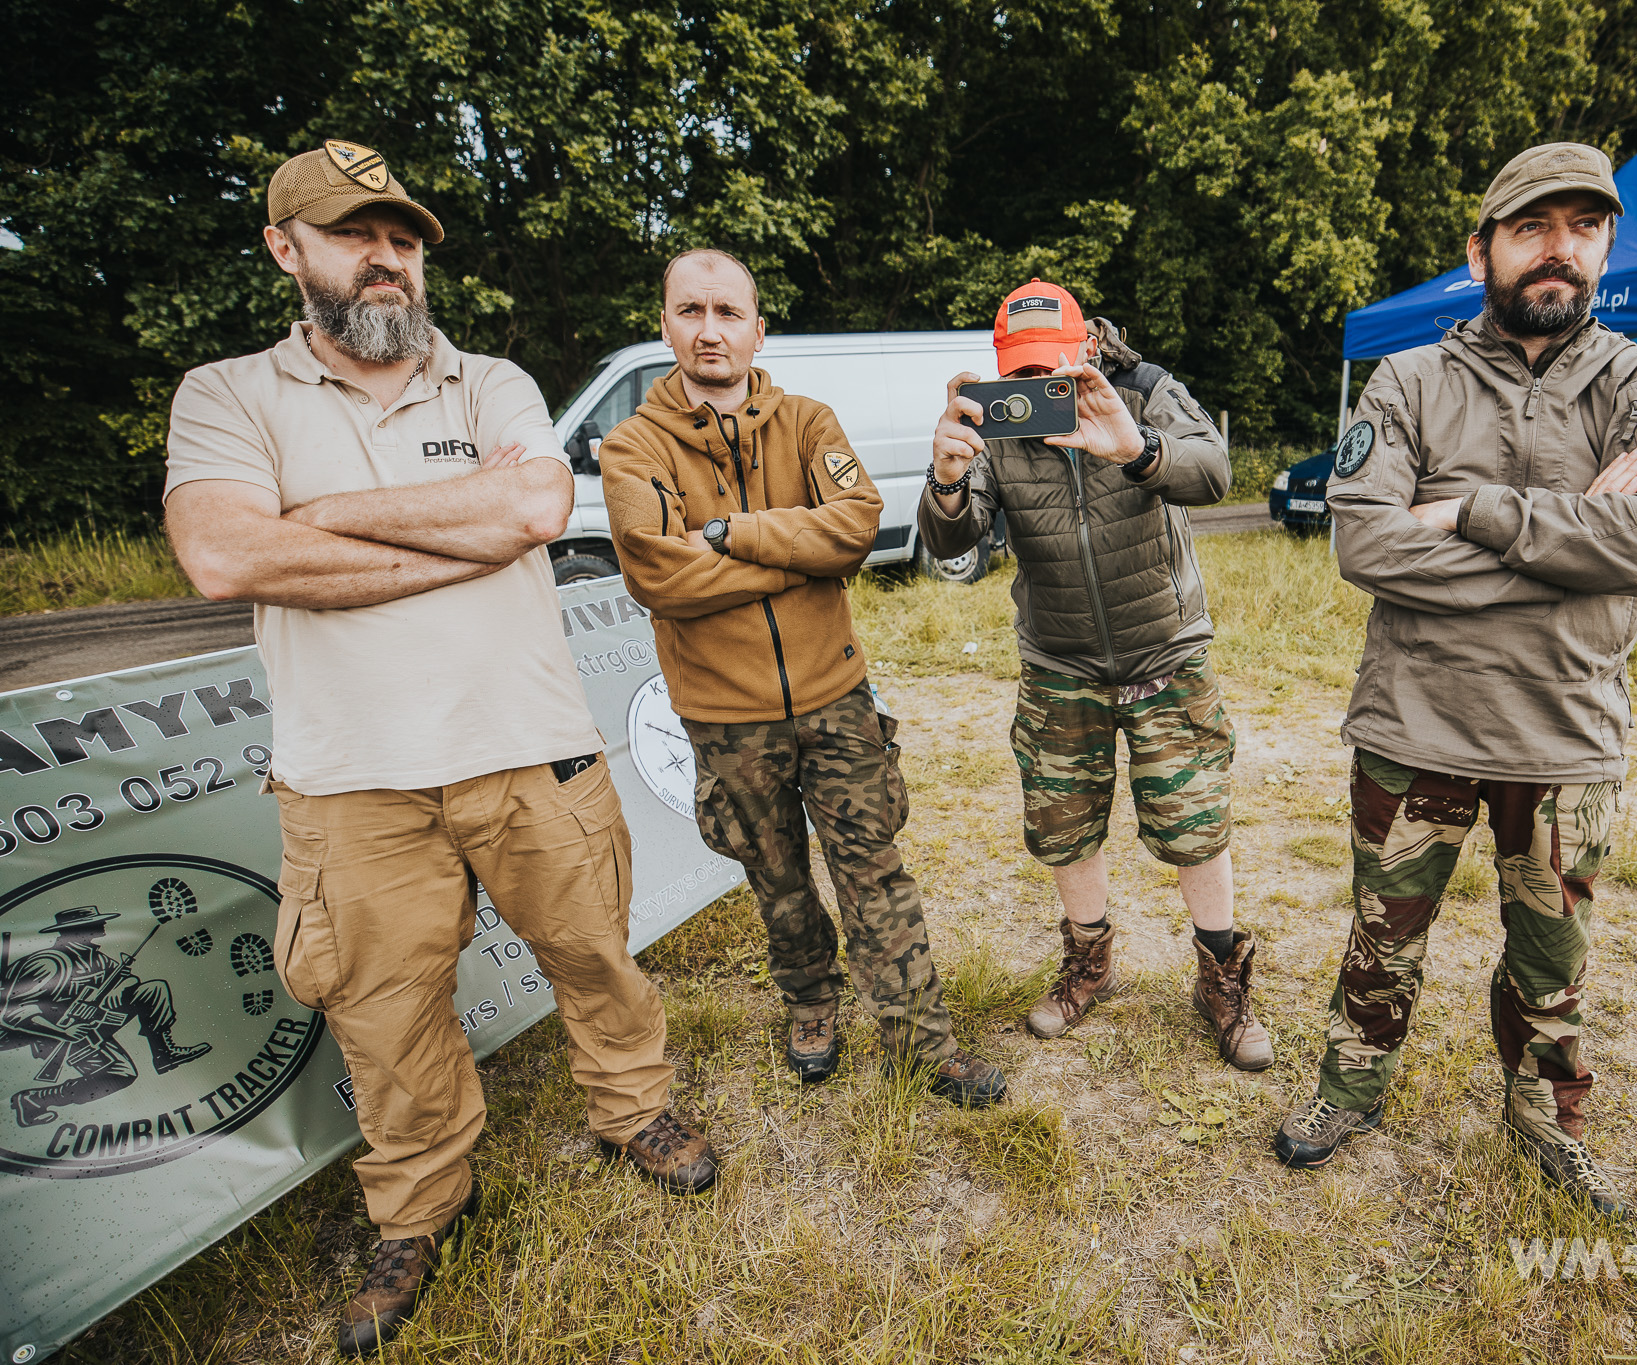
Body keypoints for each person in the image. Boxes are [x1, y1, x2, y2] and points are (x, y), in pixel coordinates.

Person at [163, 141, 711, 1357]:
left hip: (527, 748)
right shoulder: (226, 395)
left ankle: (635, 1113)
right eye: (356, 234)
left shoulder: (489, 381)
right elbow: (221, 556)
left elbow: (531, 511)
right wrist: (449, 540)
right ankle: (420, 1209)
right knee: (383, 1013)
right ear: (284, 248)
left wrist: (308, 520)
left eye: (403, 239)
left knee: (591, 953)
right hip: (345, 777)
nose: (386, 258)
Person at [1271, 143, 1637, 1217]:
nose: (1557, 249)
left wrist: (1468, 509)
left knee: (1550, 963)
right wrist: (1576, 549)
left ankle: (1544, 1126)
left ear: (1604, 246)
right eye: (1531, 227)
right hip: (1413, 724)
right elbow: (1367, 550)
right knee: (1380, 940)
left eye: (1581, 227)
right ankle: (1349, 1091)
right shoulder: (1409, 379)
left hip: (1563, 736)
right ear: (1480, 249)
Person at [599, 248, 1007, 1108]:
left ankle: (921, 1042)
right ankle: (811, 1004)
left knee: (873, 866)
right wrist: (796, 550)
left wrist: (731, 535)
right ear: (666, 322)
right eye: (690, 312)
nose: (710, 330)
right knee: (777, 877)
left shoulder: (809, 421)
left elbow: (854, 528)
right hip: (724, 717)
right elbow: (657, 577)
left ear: (758, 327)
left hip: (837, 699)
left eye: (728, 312)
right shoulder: (634, 446)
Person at [920, 281, 1268, 1070]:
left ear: (1087, 347)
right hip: (1059, 660)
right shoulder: (994, 417)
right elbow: (952, 546)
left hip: (1164, 653)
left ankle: (1220, 978)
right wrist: (945, 475)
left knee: (1195, 821)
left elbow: (1214, 472)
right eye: (1023, 372)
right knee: (1062, 823)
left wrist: (1136, 449)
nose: (1041, 391)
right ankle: (1091, 963)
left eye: (1055, 370)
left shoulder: (1145, 391)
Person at [1, 907, 210, 1127]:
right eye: (95, 922)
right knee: (121, 1074)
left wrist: (124, 981)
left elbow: (124, 990)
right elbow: (14, 1013)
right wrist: (63, 1031)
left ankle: (163, 1053)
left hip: (89, 1024)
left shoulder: (96, 958)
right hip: (53, 1037)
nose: (102, 925)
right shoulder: (49, 963)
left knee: (152, 990)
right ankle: (35, 1100)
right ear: (76, 929)